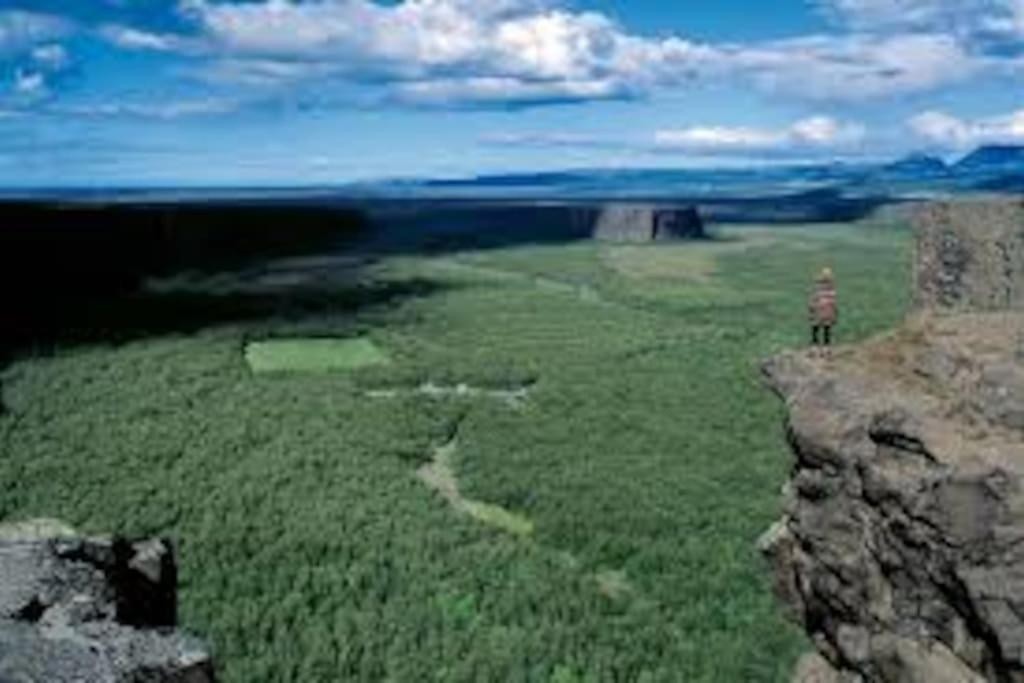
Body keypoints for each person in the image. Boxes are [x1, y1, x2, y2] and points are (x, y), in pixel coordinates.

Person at [808, 267, 837, 355]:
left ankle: (816, 347)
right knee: (825, 330)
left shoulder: (818, 287)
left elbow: (813, 299)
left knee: (816, 329)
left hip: (820, 311)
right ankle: (825, 348)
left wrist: (811, 309)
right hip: (826, 311)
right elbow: (833, 301)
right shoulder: (831, 288)